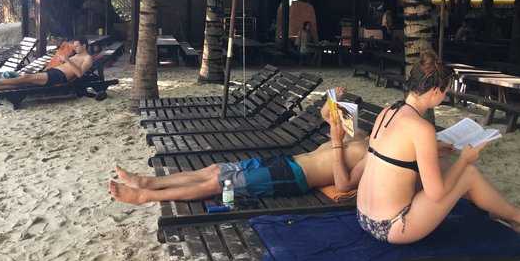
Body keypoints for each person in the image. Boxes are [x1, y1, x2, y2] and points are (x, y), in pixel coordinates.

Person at [355, 51, 520, 245]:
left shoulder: (388, 112)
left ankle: (503, 209)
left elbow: (392, 156)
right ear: (436, 91)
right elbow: (436, 193)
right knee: (467, 173)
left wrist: (434, 150)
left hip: (364, 217)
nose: (444, 96)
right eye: (445, 91)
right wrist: (464, 159)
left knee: (442, 163)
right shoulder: (421, 128)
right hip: (392, 226)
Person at [108, 87, 368, 205]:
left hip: (293, 178)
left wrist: (336, 142)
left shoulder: (371, 154)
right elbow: (326, 115)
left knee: (217, 184)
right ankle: (148, 182)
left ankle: (145, 196)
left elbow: (344, 185)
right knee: (214, 169)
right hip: (286, 162)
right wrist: (334, 98)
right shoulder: (359, 135)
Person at [0, 37, 93, 91]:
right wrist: (63, 61)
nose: (75, 48)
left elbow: (80, 74)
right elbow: (69, 66)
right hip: (54, 72)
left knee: (25, 77)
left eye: (77, 46)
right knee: (25, 83)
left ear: (84, 46)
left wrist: (67, 61)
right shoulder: (76, 55)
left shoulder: (88, 58)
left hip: (59, 76)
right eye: (74, 46)